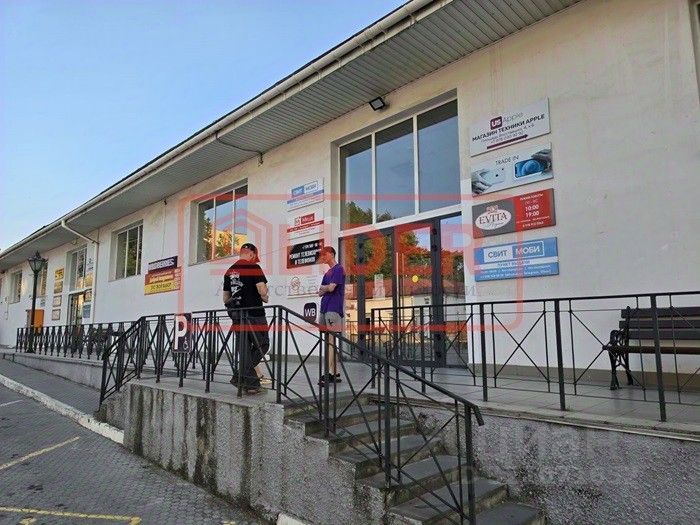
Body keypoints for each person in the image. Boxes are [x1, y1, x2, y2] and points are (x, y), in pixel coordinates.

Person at [223, 243, 270, 394]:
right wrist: (265, 293)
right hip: (255, 314)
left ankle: (250, 385)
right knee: (263, 344)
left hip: (237, 316)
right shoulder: (254, 267)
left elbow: (225, 299)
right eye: (255, 256)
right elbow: (262, 291)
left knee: (245, 350)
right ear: (251, 254)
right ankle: (240, 377)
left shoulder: (229, 271)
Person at [317, 246, 345, 386]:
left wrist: (325, 288)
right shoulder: (327, 273)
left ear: (332, 254)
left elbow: (331, 288)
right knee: (328, 340)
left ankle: (327, 373)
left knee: (331, 340)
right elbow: (320, 292)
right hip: (324, 308)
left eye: (325, 254)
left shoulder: (339, 269)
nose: (323, 256)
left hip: (334, 308)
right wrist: (326, 288)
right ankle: (336, 373)